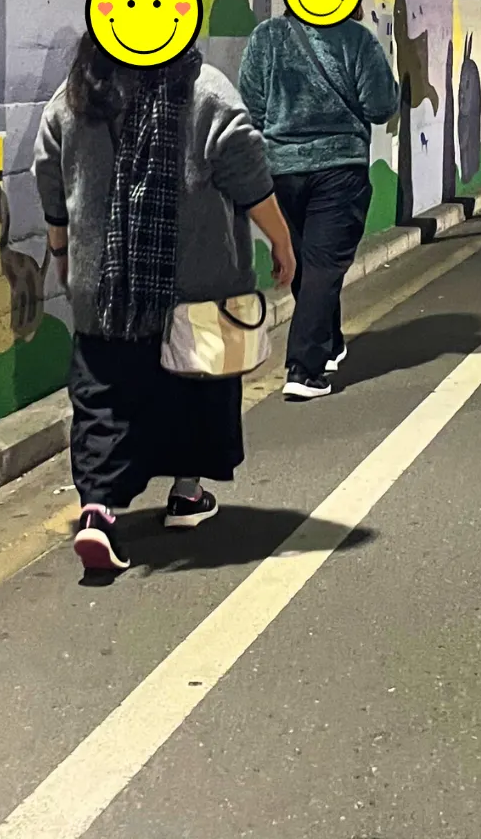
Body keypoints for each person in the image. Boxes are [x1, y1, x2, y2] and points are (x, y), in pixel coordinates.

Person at [37, 32, 298, 576]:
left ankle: (97, 512)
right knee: (195, 386)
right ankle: (186, 494)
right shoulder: (207, 92)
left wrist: (61, 253)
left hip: (104, 289)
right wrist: (281, 240)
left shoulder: (75, 95)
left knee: (104, 398)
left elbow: (51, 181)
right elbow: (248, 174)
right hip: (195, 285)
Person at [238, 0, 399, 402]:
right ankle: (305, 369)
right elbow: (380, 107)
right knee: (324, 266)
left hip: (280, 170)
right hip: (339, 166)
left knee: (308, 263)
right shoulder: (358, 39)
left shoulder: (267, 36)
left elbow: (250, 106)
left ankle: (329, 343)